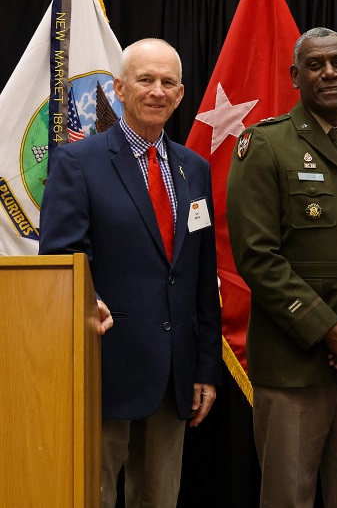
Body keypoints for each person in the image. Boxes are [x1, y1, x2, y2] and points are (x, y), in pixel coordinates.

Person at [39, 38, 222, 508]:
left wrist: (206, 368)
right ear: (120, 88)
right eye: (145, 80)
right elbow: (62, 260)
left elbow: (202, 276)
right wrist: (87, 302)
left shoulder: (194, 169)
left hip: (175, 376)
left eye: (168, 82)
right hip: (104, 367)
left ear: (181, 94)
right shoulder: (78, 162)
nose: (157, 91)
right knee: (90, 497)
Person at [226, 27, 337, 508]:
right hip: (293, 363)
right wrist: (328, 329)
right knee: (288, 496)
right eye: (316, 64)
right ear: (295, 76)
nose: (330, 73)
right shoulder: (265, 145)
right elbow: (257, 257)